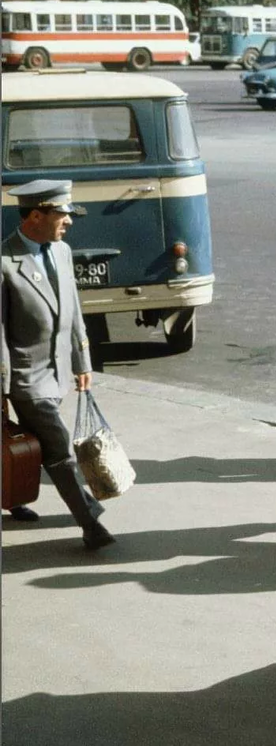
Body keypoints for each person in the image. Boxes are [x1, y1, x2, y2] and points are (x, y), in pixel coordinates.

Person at [1, 180, 113, 550]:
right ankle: (90, 524)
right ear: (36, 215)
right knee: (59, 449)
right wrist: (2, 388)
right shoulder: (5, 262)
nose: (69, 221)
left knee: (30, 445)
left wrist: (83, 360)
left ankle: (12, 497)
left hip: (60, 371)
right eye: (62, 214)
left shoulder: (61, 251)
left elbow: (74, 310)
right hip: (26, 377)